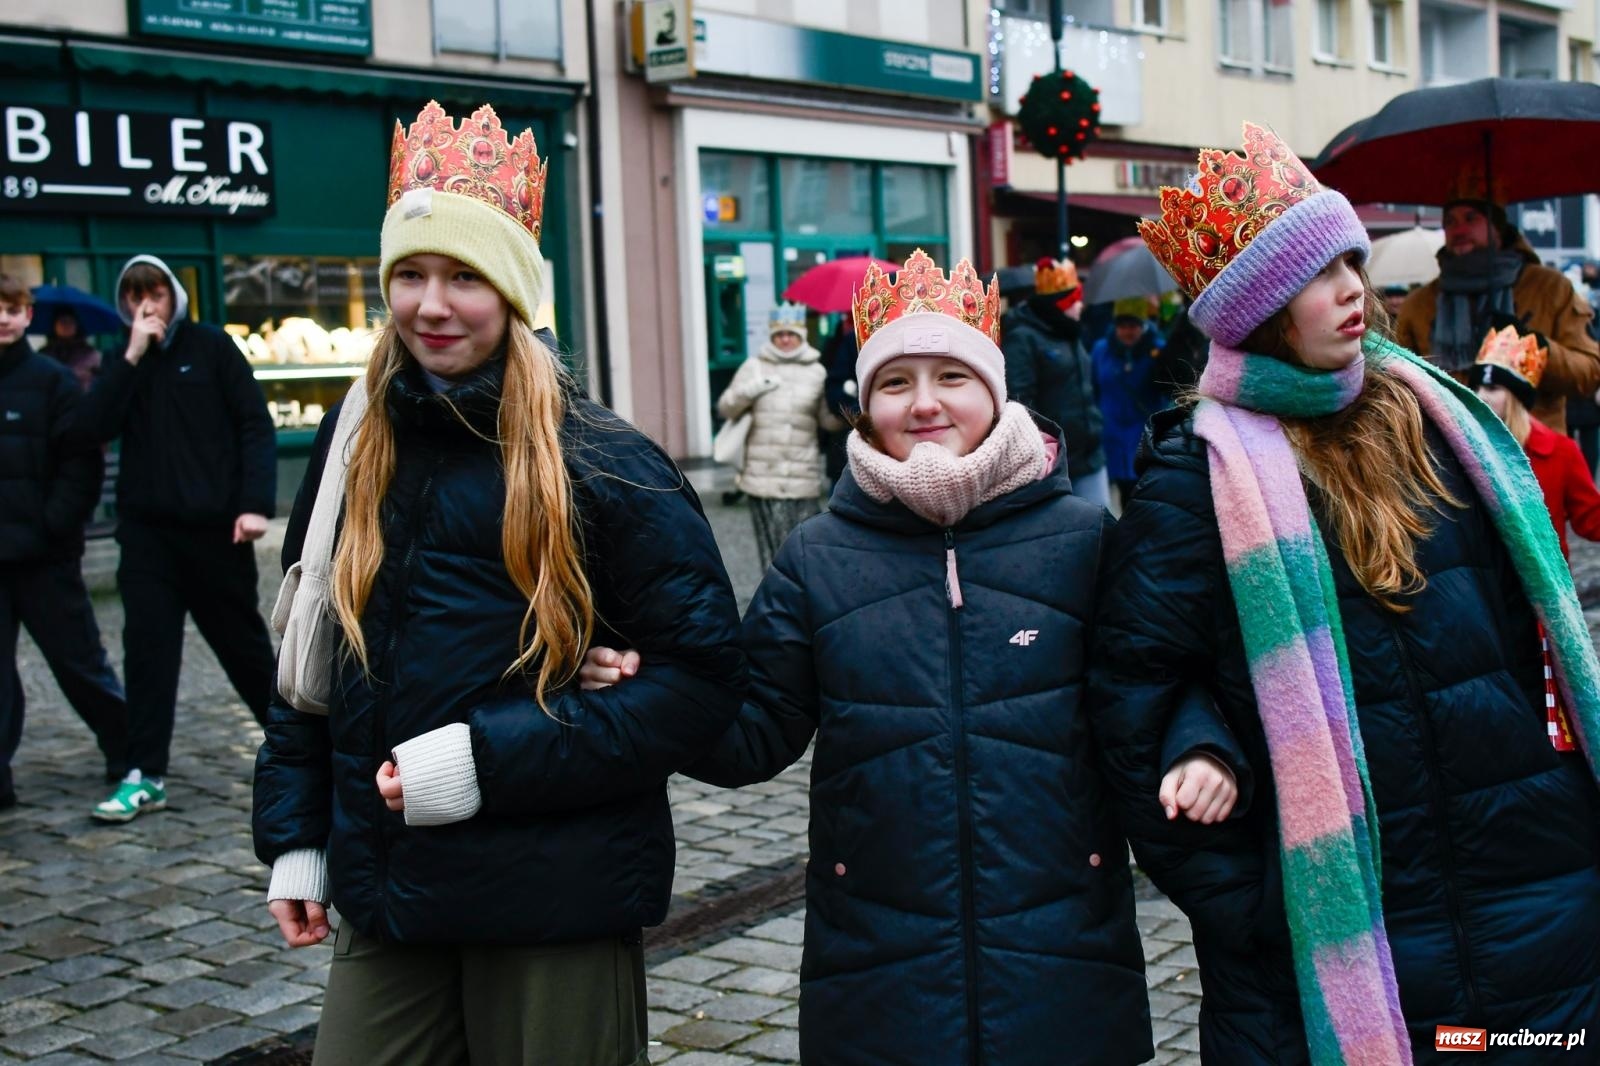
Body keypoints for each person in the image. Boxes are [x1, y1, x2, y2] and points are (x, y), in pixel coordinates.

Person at [582, 249, 1241, 1065]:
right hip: (878, 946)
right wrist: (654, 684)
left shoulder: (1082, 541)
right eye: (896, 383)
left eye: (950, 378)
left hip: (1061, 937)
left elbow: (1157, 676)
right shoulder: (818, 558)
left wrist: (1198, 747)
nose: (925, 403)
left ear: (996, 391)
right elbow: (751, 731)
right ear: (865, 402)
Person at [1093, 121, 1600, 1063]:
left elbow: (1522, 626)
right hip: (1346, 916)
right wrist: (1261, 903)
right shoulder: (1193, 479)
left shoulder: (1439, 423)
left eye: (1350, 264)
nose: (1352, 290)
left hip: (1526, 879)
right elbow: (1138, 696)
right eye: (1316, 276)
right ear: (1258, 311)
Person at [251, 101, 744, 1066]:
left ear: (515, 291)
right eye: (409, 275)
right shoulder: (354, 447)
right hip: (386, 885)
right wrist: (297, 838)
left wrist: (481, 761)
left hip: (552, 892)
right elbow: (313, 662)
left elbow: (696, 684)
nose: (431, 305)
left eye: (464, 276)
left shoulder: (603, 463)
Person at [73, 254, 277, 822]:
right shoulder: (123, 363)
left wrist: (254, 505)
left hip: (216, 534)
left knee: (246, 651)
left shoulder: (211, 348)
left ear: (174, 298)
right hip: (147, 540)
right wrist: (132, 356)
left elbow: (254, 424)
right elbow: (88, 429)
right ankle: (144, 773)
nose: (147, 306)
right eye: (136, 296)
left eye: (156, 294)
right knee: (147, 654)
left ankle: (301, 750)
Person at [0, 276, 127, 808]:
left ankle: (126, 746)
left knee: (78, 662)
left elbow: (80, 463)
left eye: (11, 309)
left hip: (44, 556)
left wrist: (53, 526)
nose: (3, 319)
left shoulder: (52, 381)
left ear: (27, 316)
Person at [1395, 191, 1600, 433]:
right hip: (1451, 452)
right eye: (1450, 222)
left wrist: (1536, 347)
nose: (1459, 230)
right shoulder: (1419, 303)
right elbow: (1398, 386)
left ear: (1498, 229)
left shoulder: (1551, 288)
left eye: (1471, 218)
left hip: (1533, 451)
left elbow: (1589, 373)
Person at [716, 303, 841, 569]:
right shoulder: (754, 367)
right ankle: (775, 601)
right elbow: (726, 407)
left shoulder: (817, 372)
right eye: (779, 334)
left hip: (802, 477)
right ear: (772, 336)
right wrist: (751, 390)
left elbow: (827, 422)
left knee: (806, 547)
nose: (785, 339)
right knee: (773, 552)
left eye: (791, 333)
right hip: (763, 477)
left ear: (801, 336)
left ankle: (805, 602)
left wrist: (846, 403)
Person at [1473, 325, 1600, 559]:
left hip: (1546, 584)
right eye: (1477, 387)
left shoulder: (1562, 451)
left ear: (1516, 398)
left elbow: (1591, 520)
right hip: (1485, 585)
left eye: (1492, 388)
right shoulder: (1465, 448)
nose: (1481, 396)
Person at [1000, 257, 1109, 507]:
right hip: (1054, 460)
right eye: (1074, 300)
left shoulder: (1072, 334)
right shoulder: (1022, 338)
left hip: (1090, 455)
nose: (1080, 306)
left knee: (1104, 529)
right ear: (1059, 305)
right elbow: (1020, 400)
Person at [1092, 297, 1167, 505]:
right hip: (1111, 435)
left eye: (1133, 325)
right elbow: (1093, 388)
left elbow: (1168, 389)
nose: (1128, 331)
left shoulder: (1158, 350)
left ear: (1143, 325)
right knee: (1122, 495)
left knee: (1144, 495)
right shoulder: (1101, 350)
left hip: (1143, 436)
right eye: (1122, 326)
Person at [41, 309, 102, 393]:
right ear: (54, 325)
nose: (66, 325)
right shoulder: (44, 355)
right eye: (62, 321)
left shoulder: (90, 354)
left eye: (70, 322)